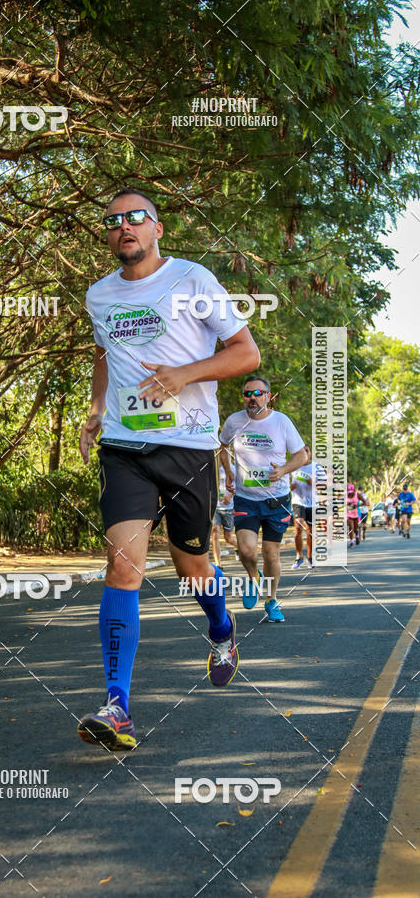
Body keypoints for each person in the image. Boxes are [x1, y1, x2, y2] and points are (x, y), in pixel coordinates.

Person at [77, 187, 260, 750]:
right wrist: (95, 409)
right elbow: (106, 355)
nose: (124, 227)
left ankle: (222, 630)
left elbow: (246, 354)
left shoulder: (193, 280)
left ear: (158, 229)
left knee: (192, 565)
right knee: (123, 567)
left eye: (136, 218)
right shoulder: (99, 295)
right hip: (124, 448)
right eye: (113, 221)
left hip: (187, 447)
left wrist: (185, 375)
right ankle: (118, 707)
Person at [219, 377, 307, 622]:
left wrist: (283, 470)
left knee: (271, 554)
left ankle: (271, 600)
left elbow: (301, 456)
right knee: (247, 550)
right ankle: (253, 577)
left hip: (276, 499)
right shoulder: (234, 421)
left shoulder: (281, 422)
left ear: (269, 396)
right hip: (246, 498)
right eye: (247, 394)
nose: (252, 398)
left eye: (258, 393)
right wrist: (228, 472)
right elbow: (222, 445)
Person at [290, 445, 317, 570]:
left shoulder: (315, 467)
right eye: (302, 451)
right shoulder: (293, 467)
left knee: (310, 531)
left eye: (307, 450)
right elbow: (286, 485)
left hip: (312, 503)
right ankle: (299, 556)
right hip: (298, 502)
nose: (305, 453)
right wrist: (291, 487)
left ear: (310, 453)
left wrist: (313, 483)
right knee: (298, 528)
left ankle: (310, 557)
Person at [211, 460, 237, 565]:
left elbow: (238, 487)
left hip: (228, 508)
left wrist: (230, 496)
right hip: (215, 507)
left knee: (228, 538)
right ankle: (218, 564)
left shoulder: (233, 469)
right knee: (215, 533)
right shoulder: (211, 467)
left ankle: (240, 548)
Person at [346, 483, 361, 547]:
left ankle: (357, 536)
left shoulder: (357, 495)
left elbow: (365, 502)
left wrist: (357, 505)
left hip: (356, 514)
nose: (350, 493)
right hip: (348, 514)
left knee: (355, 529)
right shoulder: (345, 495)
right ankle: (351, 541)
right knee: (351, 527)